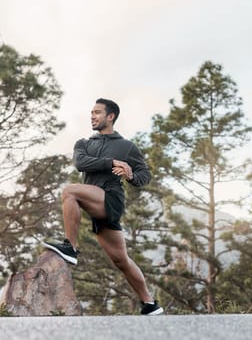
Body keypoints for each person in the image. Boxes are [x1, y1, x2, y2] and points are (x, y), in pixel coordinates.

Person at [43, 98, 163, 316]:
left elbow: (145, 175)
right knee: (121, 259)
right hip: (94, 202)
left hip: (111, 198)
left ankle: (70, 246)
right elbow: (81, 163)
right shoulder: (84, 143)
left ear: (111, 116)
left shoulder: (126, 147)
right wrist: (112, 163)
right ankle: (150, 303)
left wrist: (131, 175)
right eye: (91, 112)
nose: (92, 116)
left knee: (69, 191)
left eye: (97, 112)